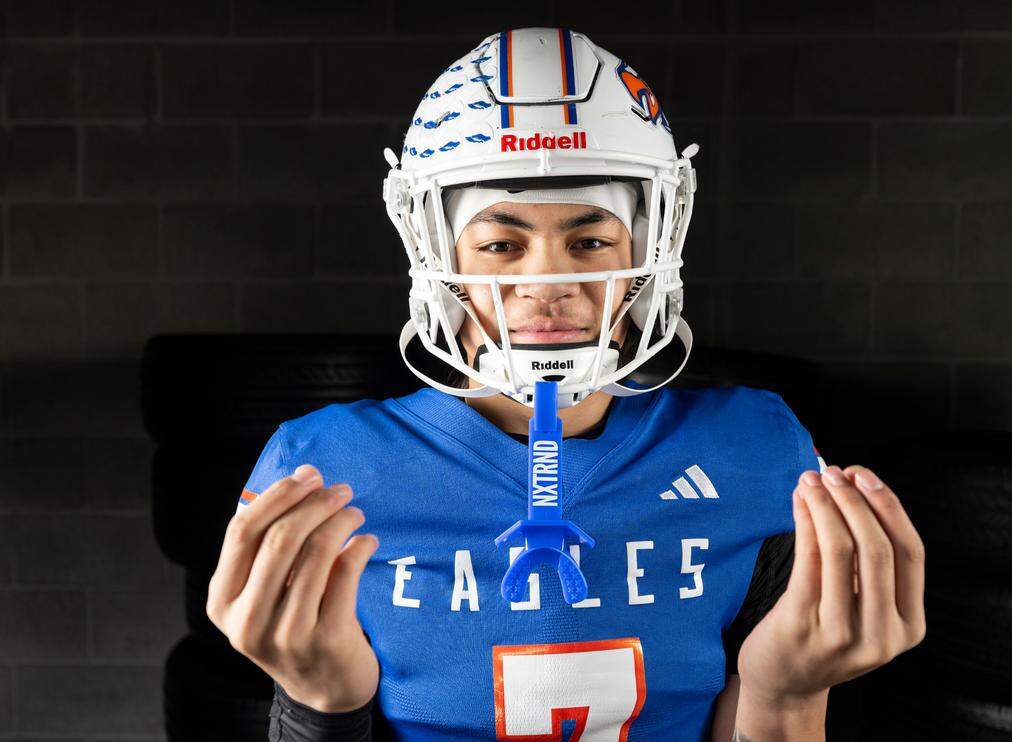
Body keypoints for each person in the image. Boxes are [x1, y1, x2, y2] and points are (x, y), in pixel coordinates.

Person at [209, 28, 926, 741]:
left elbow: (766, 707)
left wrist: (787, 695)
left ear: (649, 249)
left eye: (590, 241)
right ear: (432, 250)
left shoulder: (753, 448)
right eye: (500, 244)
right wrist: (318, 705)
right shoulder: (325, 466)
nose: (548, 283)